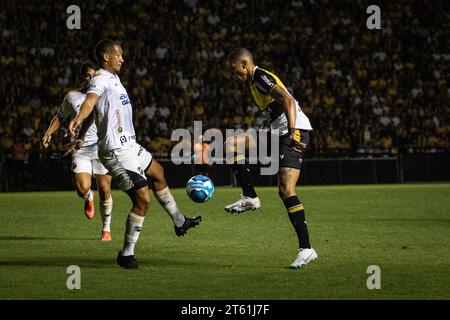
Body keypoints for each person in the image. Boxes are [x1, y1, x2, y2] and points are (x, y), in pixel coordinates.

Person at [69, 39, 201, 269]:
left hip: (130, 144)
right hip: (115, 150)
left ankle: (180, 222)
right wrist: (78, 118)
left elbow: (96, 111)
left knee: (159, 172)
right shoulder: (99, 79)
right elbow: (89, 102)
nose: (122, 58)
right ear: (106, 57)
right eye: (118, 54)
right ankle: (126, 254)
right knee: (142, 200)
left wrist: (82, 130)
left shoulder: (114, 79)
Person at [228, 47, 317, 269]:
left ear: (245, 64)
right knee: (233, 144)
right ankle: (250, 197)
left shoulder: (260, 77)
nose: (234, 74)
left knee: (286, 189)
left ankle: (306, 250)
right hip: (278, 132)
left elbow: (288, 100)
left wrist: (294, 132)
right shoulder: (253, 83)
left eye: (235, 69)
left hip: (292, 131)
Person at [42, 62, 114, 241]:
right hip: (80, 148)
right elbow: (60, 116)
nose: (90, 79)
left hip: (102, 147)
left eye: (93, 76)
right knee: (82, 188)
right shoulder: (72, 97)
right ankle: (88, 197)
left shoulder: (104, 93)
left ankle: (106, 229)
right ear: (82, 77)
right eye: (87, 76)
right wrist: (48, 133)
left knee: (105, 189)